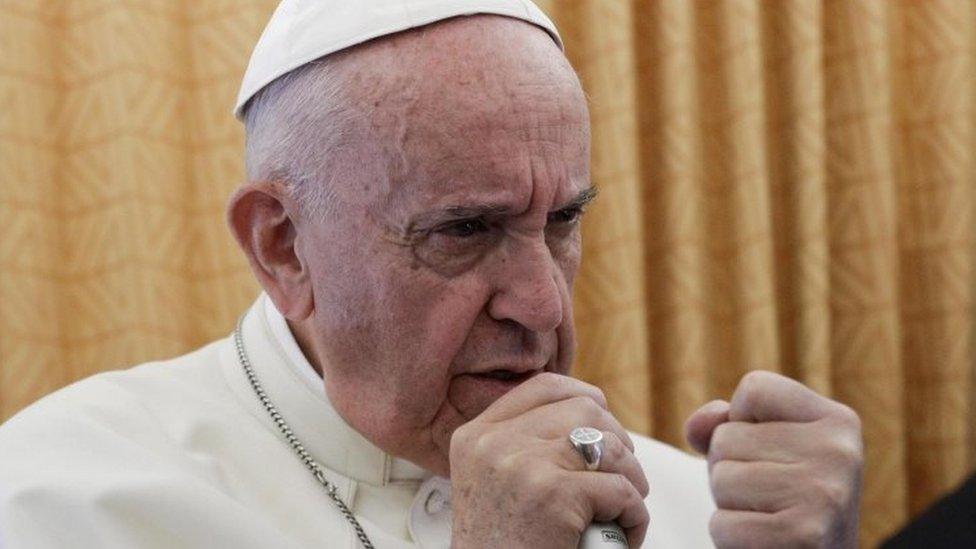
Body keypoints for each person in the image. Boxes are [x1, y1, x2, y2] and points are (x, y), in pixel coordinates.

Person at [0, 1, 864, 547]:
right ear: (282, 245)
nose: (544, 304)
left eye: (563, 220)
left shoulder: (692, 507)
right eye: (465, 229)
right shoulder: (59, 500)